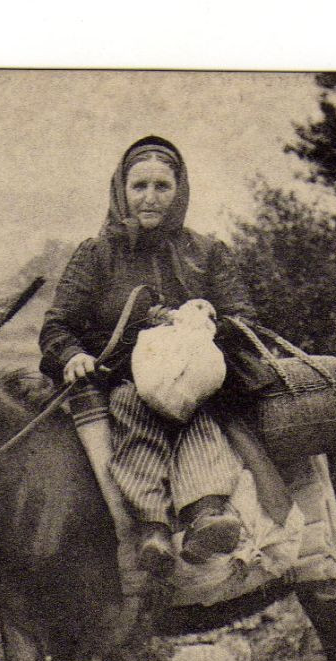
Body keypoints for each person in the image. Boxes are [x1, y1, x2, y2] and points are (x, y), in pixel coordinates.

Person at [39, 135, 257, 576]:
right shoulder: (97, 256)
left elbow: (244, 318)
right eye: (139, 187)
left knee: (196, 412)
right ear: (122, 190)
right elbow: (56, 325)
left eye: (163, 186)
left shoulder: (207, 252)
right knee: (130, 405)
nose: (150, 198)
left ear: (180, 192)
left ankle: (206, 514)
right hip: (121, 381)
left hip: (194, 381)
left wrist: (208, 321)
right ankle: (152, 527)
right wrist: (73, 355)